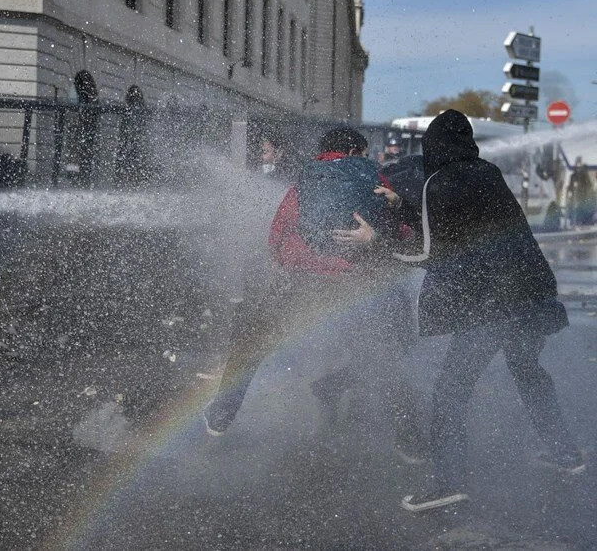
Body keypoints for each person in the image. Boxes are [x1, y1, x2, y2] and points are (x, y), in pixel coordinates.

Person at [344, 110, 584, 512]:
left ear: (432, 147)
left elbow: (427, 250)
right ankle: (565, 454)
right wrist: (403, 202)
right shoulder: (487, 173)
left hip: (493, 305)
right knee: (529, 372)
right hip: (531, 295)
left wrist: (376, 241)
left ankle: (448, 481)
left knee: (451, 390)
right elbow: (453, 222)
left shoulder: (439, 182)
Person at [205, 126, 424, 461]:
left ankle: (221, 416)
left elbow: (279, 244)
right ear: (354, 151)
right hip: (357, 286)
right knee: (380, 359)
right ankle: (409, 440)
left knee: (250, 341)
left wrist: (318, 262)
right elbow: (404, 235)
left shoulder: (302, 187)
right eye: (363, 153)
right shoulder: (378, 183)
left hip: (303, 283)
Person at [566, 157, 595, 227]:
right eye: (577, 165)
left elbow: (589, 187)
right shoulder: (573, 176)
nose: (578, 168)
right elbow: (570, 188)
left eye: (580, 165)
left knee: (584, 218)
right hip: (576, 201)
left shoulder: (585, 176)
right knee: (576, 217)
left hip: (584, 201)